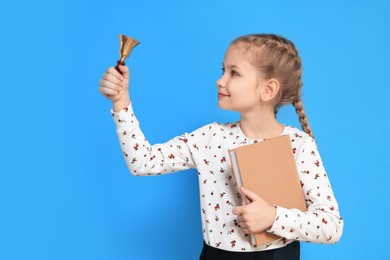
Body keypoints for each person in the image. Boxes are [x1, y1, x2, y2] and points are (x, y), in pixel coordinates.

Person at [98, 34, 343, 259]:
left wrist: (273, 217)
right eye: (223, 70)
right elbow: (142, 162)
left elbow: (331, 227)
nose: (219, 80)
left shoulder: (298, 145)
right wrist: (121, 102)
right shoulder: (209, 138)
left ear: (268, 89)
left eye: (234, 73)